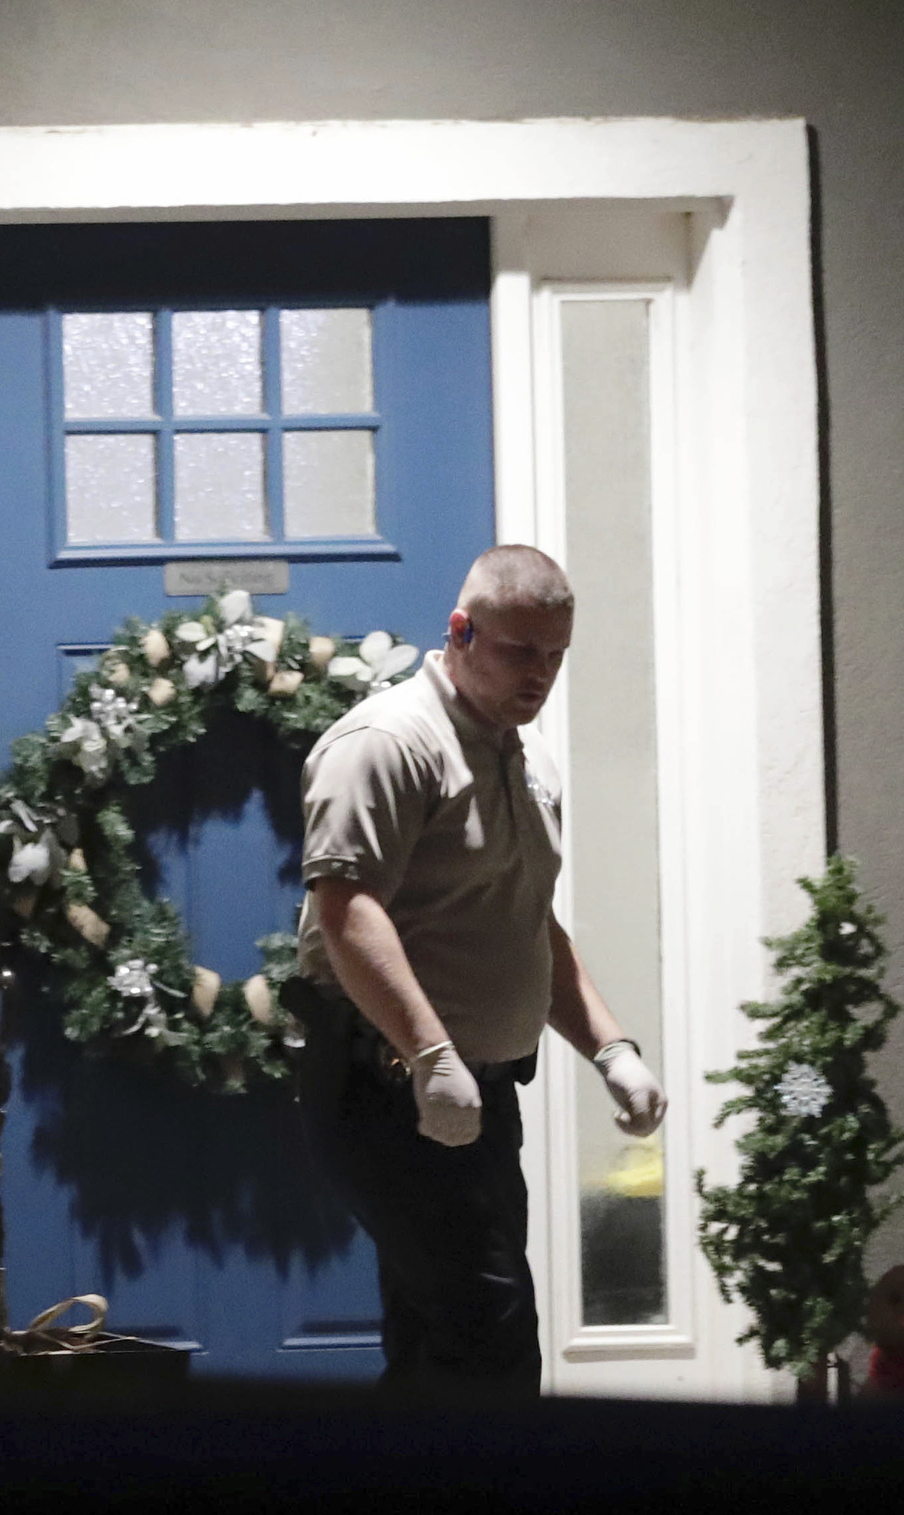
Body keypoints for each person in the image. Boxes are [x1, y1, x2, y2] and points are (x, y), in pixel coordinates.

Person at [282, 544, 668, 1396]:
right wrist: (429, 1055)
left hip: (475, 1095)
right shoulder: (388, 742)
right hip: (387, 1087)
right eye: (520, 649)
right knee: (488, 1345)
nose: (541, 673)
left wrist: (610, 1048)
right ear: (460, 630)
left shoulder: (525, 762)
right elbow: (347, 909)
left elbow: (525, 923)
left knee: (436, 1347)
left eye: (556, 654)